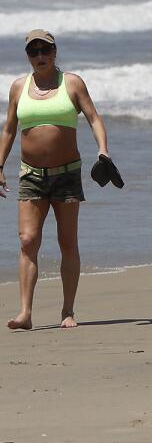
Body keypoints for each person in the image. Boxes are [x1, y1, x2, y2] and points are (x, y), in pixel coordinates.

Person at [0, 30, 111, 330]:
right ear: (28, 56)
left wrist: (103, 150)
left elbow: (94, 118)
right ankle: (25, 313)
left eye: (45, 50)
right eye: (33, 51)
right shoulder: (18, 88)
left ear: (54, 51)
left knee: (67, 241)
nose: (40, 56)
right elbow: (9, 130)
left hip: (66, 174)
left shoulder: (71, 84)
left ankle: (67, 311)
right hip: (31, 175)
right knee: (27, 240)